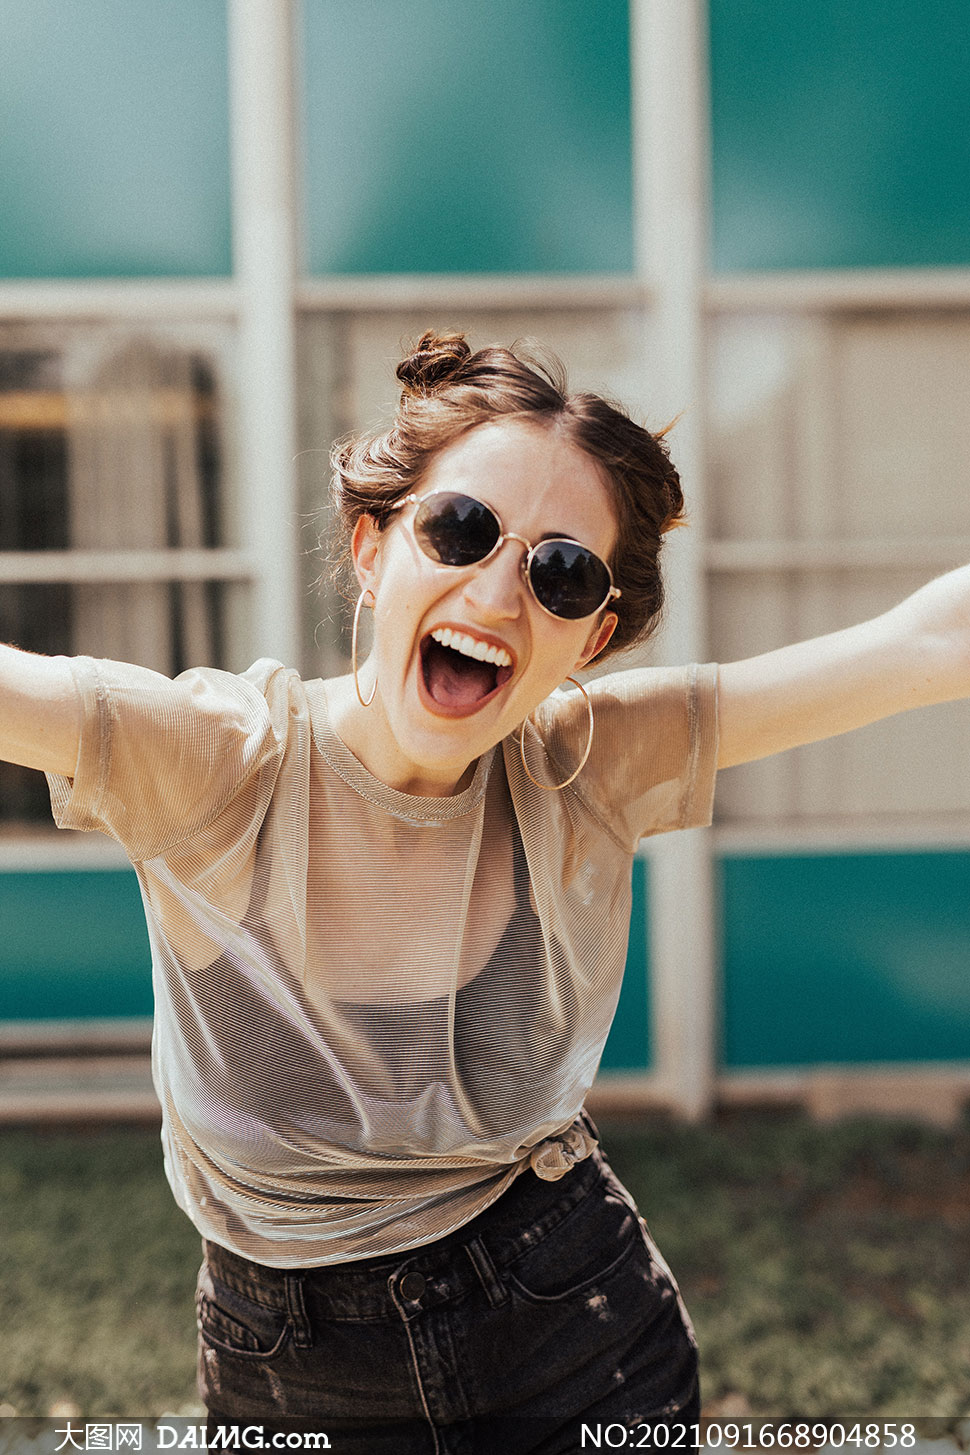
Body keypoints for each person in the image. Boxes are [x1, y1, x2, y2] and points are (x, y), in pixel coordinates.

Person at [3, 330, 970, 1451]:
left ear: (593, 634)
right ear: (372, 550)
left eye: (560, 572)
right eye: (459, 528)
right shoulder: (222, 763)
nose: (499, 588)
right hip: (288, 1363)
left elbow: (922, 644)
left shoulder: (589, 763)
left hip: (576, 1326)